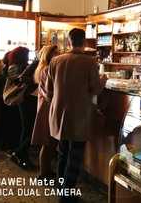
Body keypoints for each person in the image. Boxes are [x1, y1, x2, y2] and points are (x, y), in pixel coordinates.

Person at [45, 28, 107, 203]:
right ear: (85, 42)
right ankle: (67, 196)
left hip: (58, 114)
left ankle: (61, 189)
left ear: (69, 41)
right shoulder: (89, 62)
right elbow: (95, 89)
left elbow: (48, 91)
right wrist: (104, 79)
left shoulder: (55, 60)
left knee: (63, 151)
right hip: (79, 114)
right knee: (76, 154)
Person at [6, 46, 37, 169]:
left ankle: (21, 154)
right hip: (24, 100)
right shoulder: (15, 67)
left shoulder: (15, 66)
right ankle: (19, 153)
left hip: (25, 100)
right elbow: (21, 80)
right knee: (29, 129)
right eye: (26, 54)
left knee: (27, 128)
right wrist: (35, 79)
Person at [31, 45, 59, 179]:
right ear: (49, 55)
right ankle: (43, 173)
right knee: (48, 143)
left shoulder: (41, 68)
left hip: (44, 106)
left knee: (48, 142)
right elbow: (50, 92)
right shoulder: (48, 69)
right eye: (56, 53)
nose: (58, 55)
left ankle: (45, 171)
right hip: (48, 108)